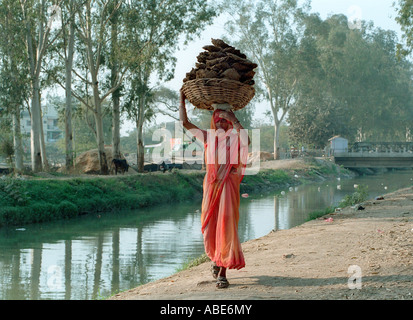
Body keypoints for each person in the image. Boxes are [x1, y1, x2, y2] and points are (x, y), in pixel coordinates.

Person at [179, 90, 249, 288]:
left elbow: (247, 141)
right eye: (217, 120)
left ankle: (222, 272)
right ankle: (216, 259)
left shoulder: (235, 138)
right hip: (211, 188)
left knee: (226, 226)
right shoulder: (207, 137)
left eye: (224, 121)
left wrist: (233, 117)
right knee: (210, 227)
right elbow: (185, 123)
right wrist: (182, 98)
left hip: (228, 187)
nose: (220, 123)